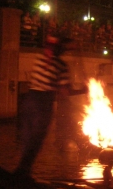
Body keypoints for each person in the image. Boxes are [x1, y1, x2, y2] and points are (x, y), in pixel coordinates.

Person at [14, 36, 81, 178]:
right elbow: (65, 92)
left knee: (27, 139)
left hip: (29, 101)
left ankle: (21, 171)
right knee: (36, 140)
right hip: (43, 104)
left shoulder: (39, 58)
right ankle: (23, 173)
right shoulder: (61, 65)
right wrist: (84, 90)